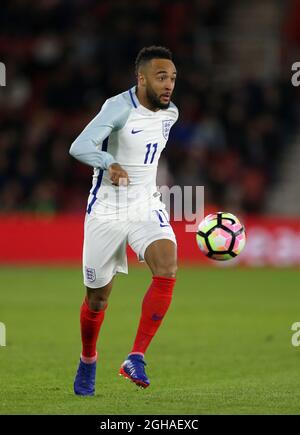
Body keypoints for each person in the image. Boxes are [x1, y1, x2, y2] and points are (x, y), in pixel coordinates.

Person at [69, 46, 178, 395]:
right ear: (141, 77)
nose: (169, 85)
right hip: (106, 210)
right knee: (98, 299)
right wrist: (107, 162)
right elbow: (79, 146)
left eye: (173, 78)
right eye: (162, 77)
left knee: (167, 267)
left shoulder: (170, 113)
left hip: (146, 204)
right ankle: (88, 359)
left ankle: (135, 356)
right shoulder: (118, 108)